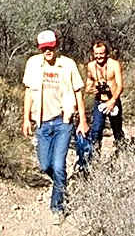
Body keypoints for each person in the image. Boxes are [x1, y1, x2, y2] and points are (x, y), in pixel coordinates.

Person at [22, 29, 89, 225]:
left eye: (51, 47)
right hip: (42, 123)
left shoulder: (68, 65)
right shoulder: (33, 64)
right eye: (44, 48)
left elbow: (78, 93)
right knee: (45, 166)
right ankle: (62, 184)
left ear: (57, 45)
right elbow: (28, 92)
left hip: (63, 122)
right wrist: (26, 118)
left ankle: (57, 207)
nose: (47, 51)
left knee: (59, 165)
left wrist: (82, 120)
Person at [85, 40, 125, 155]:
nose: (99, 56)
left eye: (101, 53)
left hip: (113, 100)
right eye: (96, 54)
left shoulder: (114, 64)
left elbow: (120, 86)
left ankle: (121, 150)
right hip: (99, 101)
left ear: (106, 53)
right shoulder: (91, 66)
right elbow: (88, 85)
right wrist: (91, 89)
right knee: (96, 129)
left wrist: (113, 101)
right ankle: (95, 155)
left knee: (116, 128)